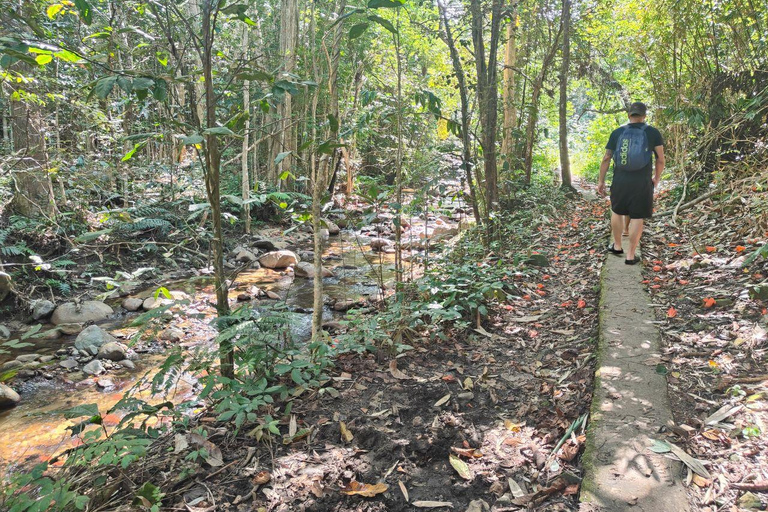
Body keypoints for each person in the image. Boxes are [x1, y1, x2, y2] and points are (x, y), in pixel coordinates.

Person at [597, 102, 665, 264]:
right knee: (637, 216)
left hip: (620, 178)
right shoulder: (652, 133)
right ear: (644, 116)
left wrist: (601, 181)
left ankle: (618, 246)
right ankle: (630, 255)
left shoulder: (617, 132)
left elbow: (607, 158)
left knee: (617, 211)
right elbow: (660, 159)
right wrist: (657, 177)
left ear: (629, 115)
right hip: (641, 180)